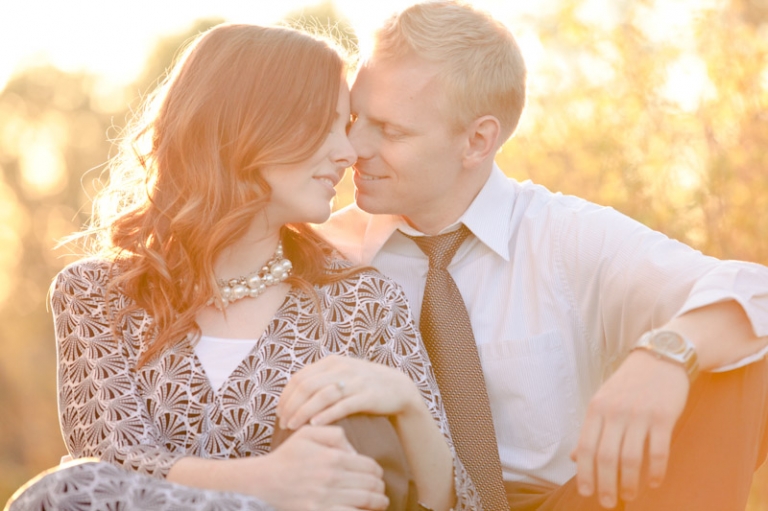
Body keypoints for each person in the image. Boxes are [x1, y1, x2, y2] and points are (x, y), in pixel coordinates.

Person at [5, 23, 481, 511]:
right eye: (328, 125)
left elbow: (455, 502)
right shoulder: (93, 293)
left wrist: (404, 399)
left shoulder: (363, 300)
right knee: (63, 489)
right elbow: (110, 464)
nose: (349, 151)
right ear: (249, 126)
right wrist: (268, 483)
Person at [318, 2, 768, 510]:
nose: (353, 146)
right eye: (356, 119)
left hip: (563, 502)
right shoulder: (324, 250)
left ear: (477, 140)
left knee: (748, 358)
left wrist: (666, 353)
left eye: (391, 131)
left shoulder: (566, 236)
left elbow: (755, 291)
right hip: (395, 502)